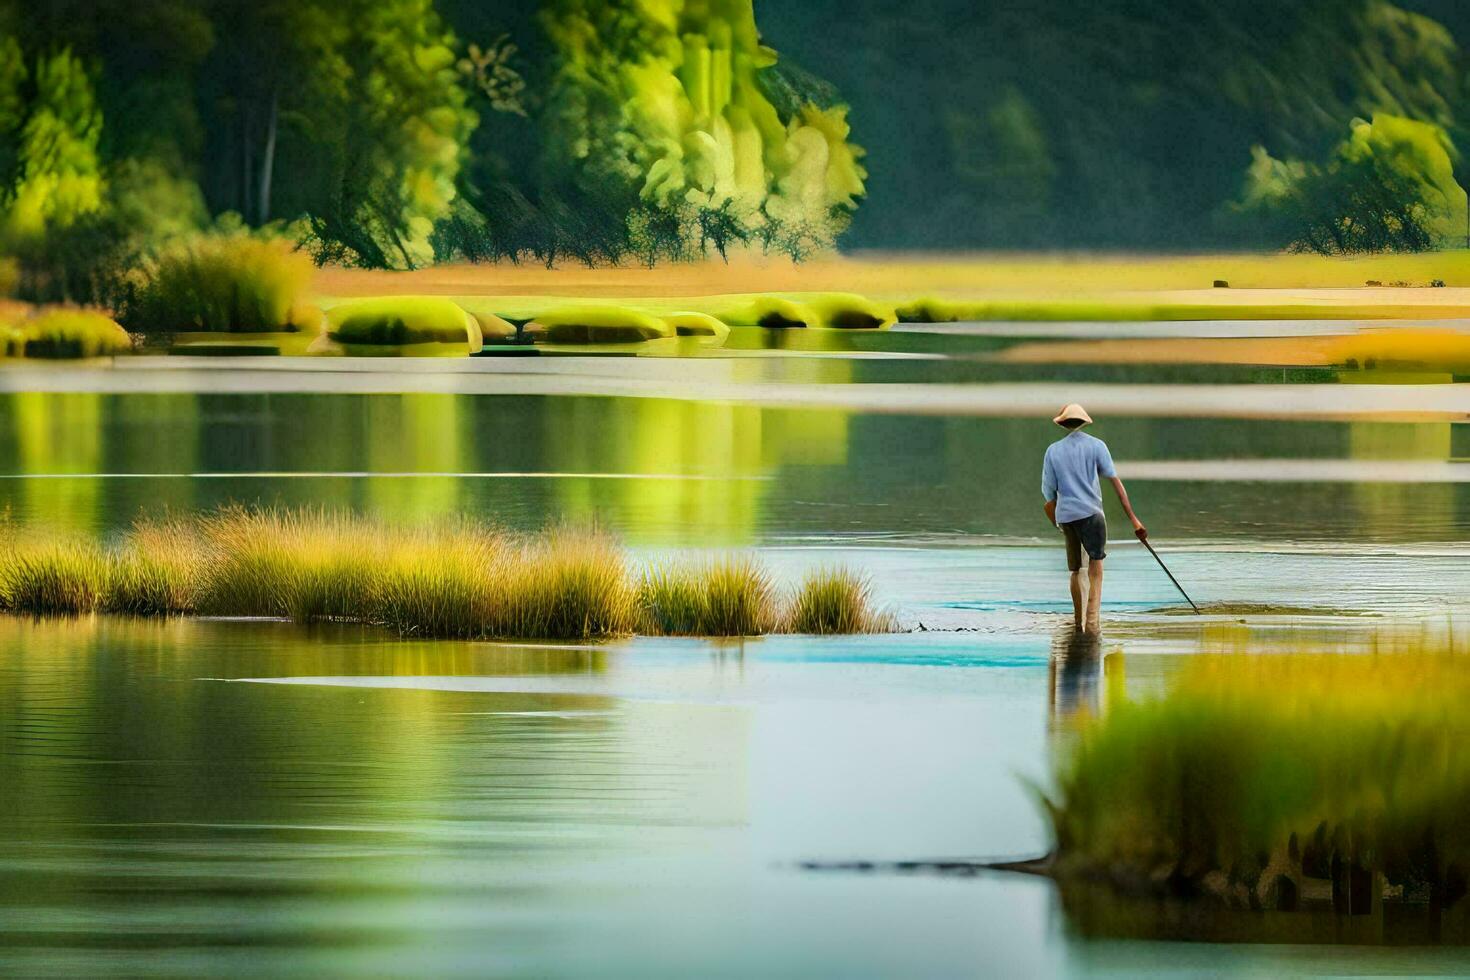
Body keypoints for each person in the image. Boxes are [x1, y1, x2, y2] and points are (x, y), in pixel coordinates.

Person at [1041, 404, 1146, 633]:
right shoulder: (1097, 446)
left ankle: (1078, 621)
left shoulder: (1053, 451)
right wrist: (1134, 520)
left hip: (1067, 517)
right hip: (1092, 514)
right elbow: (1116, 484)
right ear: (1084, 422)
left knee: (1076, 569)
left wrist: (1056, 523)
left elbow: (1048, 495)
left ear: (1062, 423)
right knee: (1096, 563)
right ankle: (1092, 619)